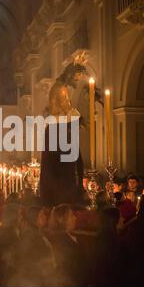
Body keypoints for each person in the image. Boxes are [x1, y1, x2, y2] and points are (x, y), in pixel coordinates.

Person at [39, 54, 86, 207]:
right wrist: (80, 118)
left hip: (58, 129)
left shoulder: (59, 87)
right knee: (65, 166)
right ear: (70, 75)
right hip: (59, 130)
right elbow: (68, 110)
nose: (77, 80)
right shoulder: (61, 89)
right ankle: (65, 197)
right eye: (76, 77)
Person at [15, 206, 56, 286]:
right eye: (42, 215)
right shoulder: (31, 236)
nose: (45, 217)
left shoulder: (38, 233)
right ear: (35, 218)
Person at [47, 204, 86, 286]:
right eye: (71, 216)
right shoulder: (62, 241)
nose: (75, 218)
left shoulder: (69, 237)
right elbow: (69, 269)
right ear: (61, 220)